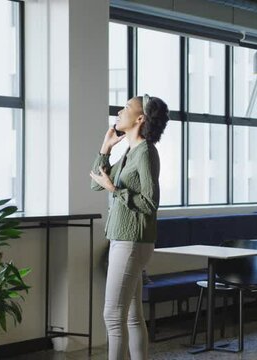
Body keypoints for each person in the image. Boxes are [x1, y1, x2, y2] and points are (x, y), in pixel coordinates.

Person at [90, 94, 168, 360]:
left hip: (131, 242)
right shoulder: (131, 152)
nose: (120, 111)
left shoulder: (146, 153)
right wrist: (105, 149)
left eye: (126, 107)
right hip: (126, 240)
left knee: (113, 316)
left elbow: (150, 202)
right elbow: (95, 182)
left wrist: (116, 190)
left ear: (140, 118)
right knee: (132, 316)